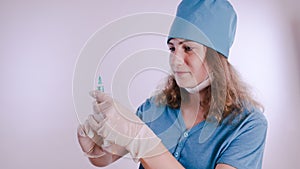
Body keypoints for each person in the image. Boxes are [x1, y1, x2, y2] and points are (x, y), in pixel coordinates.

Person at [77, 0, 268, 169]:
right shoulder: (155, 108)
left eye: (187, 48)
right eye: (172, 48)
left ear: (216, 58)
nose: (175, 60)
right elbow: (106, 157)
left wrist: (141, 138)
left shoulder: (248, 125)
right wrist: (94, 146)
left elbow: (136, 138)